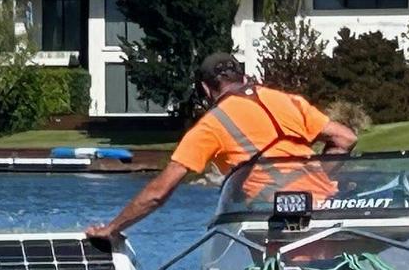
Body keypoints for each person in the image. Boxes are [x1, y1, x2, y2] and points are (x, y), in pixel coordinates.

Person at [85, 53, 357, 241]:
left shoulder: (211, 125)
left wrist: (112, 228)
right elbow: (346, 138)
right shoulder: (289, 100)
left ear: (206, 89)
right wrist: (317, 180)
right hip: (326, 207)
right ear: (244, 77)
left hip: (276, 221)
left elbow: (158, 192)